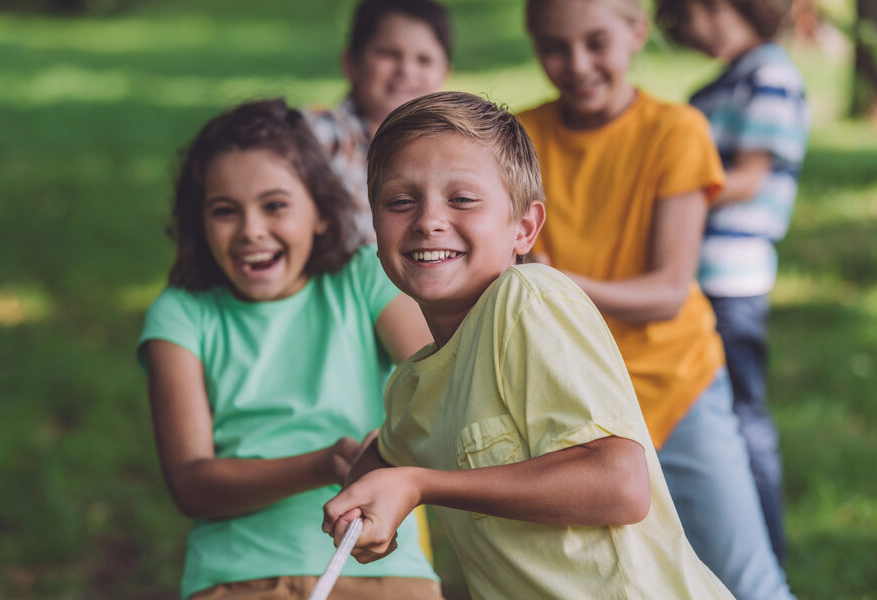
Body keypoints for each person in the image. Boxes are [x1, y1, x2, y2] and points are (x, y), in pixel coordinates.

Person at [322, 91, 734, 600]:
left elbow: (619, 485)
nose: (428, 220)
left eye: (462, 199)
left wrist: (421, 485)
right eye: (400, 201)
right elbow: (381, 463)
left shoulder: (527, 296)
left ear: (525, 227)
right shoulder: (412, 386)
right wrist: (363, 503)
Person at [516, 1, 795, 598]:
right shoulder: (521, 139)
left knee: (746, 581)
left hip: (676, 383)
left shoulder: (675, 131)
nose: (577, 64)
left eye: (597, 43)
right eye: (554, 47)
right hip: (572, 398)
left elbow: (668, 291)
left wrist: (553, 283)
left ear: (637, 34)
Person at [137, 99, 442, 600]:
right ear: (199, 223)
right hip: (239, 576)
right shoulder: (182, 314)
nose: (252, 230)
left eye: (274, 205)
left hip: (386, 571)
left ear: (321, 213)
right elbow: (191, 484)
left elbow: (442, 380)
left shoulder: (363, 278)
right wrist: (321, 465)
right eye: (224, 211)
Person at [655, 0, 810, 565]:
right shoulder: (715, 87)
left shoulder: (769, 75)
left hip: (733, 278)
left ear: (713, 7)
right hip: (694, 277)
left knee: (742, 418)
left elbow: (749, 175)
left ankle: (763, 549)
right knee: (710, 413)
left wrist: (671, 195)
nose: (684, 37)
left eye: (682, 23)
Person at [304, 0, 451, 248]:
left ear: (445, 72)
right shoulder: (317, 138)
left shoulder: (454, 147)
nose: (406, 70)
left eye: (424, 60)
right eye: (389, 54)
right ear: (352, 62)